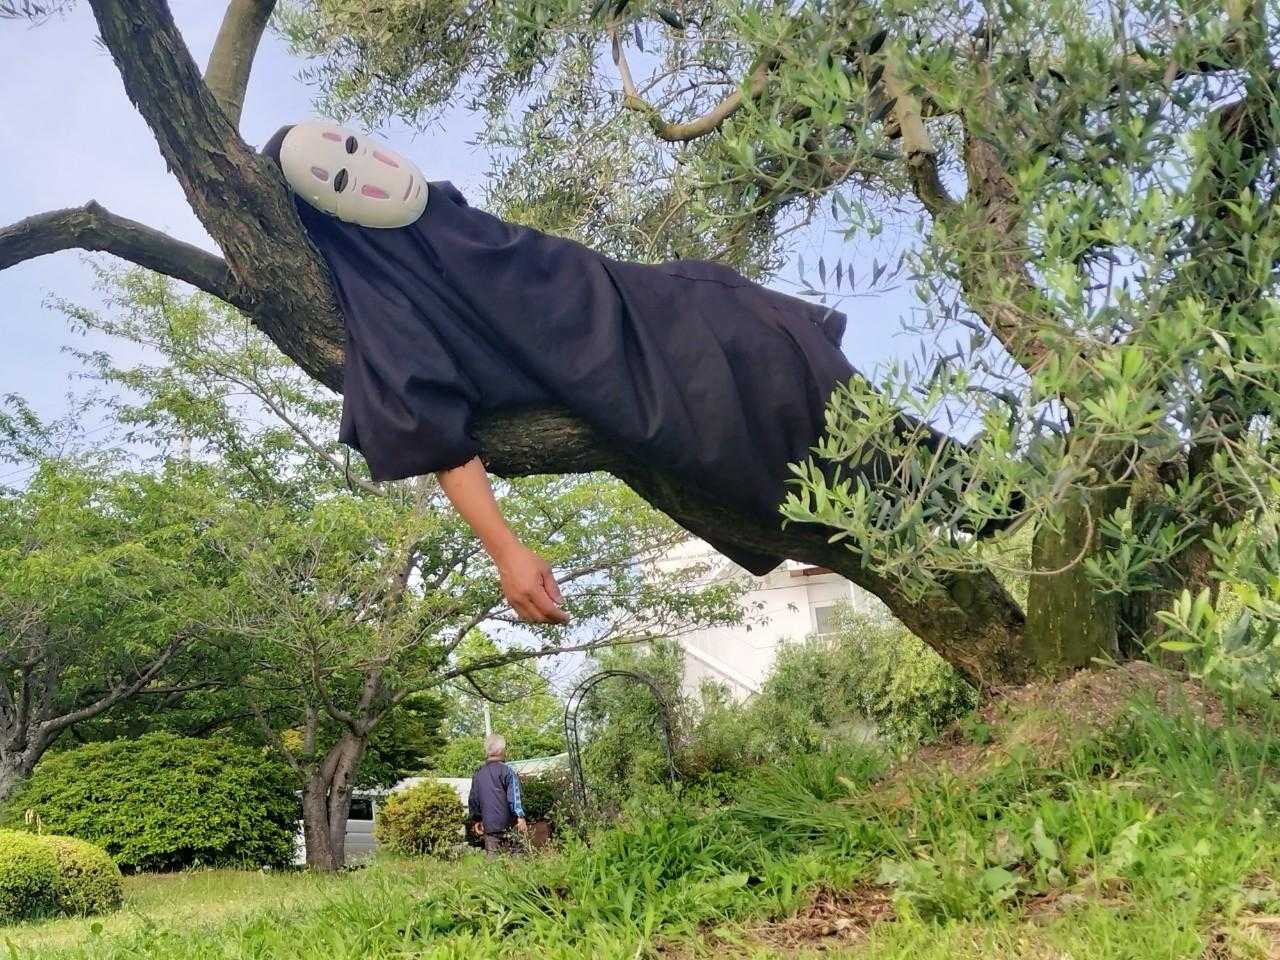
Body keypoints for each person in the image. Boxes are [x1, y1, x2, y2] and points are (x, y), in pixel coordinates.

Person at [260, 121, 905, 625]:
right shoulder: (384, 299)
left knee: (857, 429)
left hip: (685, 308)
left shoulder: (448, 216)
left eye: (352, 147)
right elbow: (432, 426)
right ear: (326, 215)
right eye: (337, 179)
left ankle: (925, 506)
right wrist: (507, 551)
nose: (366, 169)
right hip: (664, 370)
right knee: (827, 453)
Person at [467, 734, 527, 856]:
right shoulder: (507, 771)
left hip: (488, 826)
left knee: (493, 859)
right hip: (509, 824)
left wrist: (477, 820)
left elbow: (473, 799)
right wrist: (520, 816)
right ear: (500, 751)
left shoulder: (478, 774)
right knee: (516, 858)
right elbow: (515, 796)